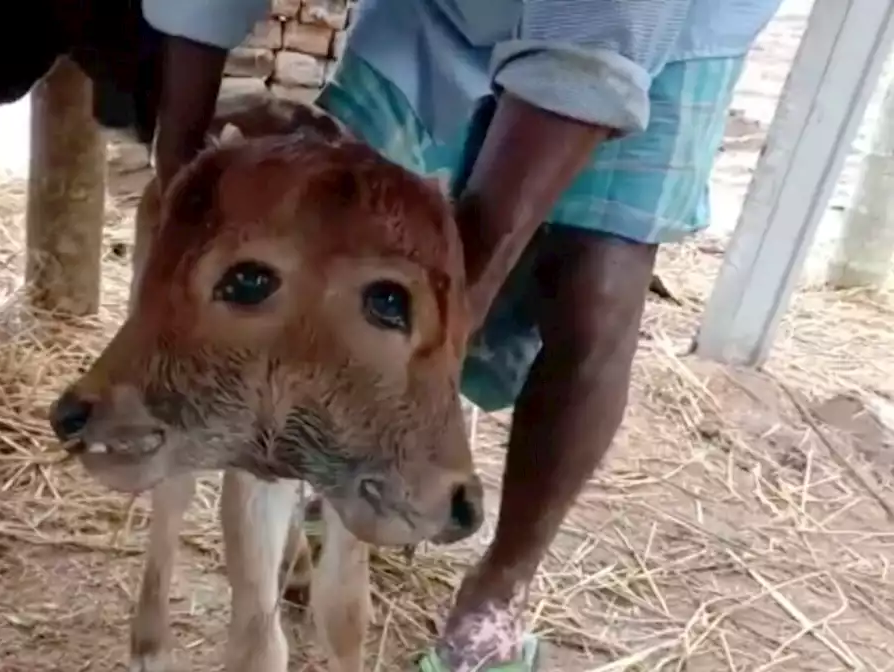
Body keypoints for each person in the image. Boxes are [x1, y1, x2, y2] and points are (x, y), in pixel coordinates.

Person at [144, 0, 786, 669]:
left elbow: (593, 49)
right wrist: (182, 162)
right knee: (328, 232)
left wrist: (435, 334)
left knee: (595, 293)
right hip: (437, 11)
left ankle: (497, 592)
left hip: (656, 27)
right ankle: (322, 492)